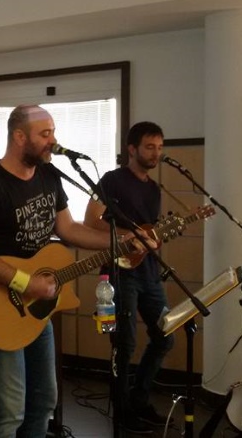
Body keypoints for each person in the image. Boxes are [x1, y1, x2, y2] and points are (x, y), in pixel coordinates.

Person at [0, 104, 149, 437]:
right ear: (19, 137)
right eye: (45, 134)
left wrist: (122, 240)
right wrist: (24, 282)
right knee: (10, 411)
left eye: (54, 132)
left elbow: (69, 229)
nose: (53, 141)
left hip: (35, 309)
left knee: (45, 399)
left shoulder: (49, 176)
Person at [84, 121, 173, 434]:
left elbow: (150, 232)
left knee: (166, 336)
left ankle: (139, 399)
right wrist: (128, 235)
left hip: (149, 274)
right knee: (124, 343)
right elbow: (90, 220)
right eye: (150, 147)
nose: (156, 153)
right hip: (120, 274)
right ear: (132, 149)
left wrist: (154, 240)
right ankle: (122, 412)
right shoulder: (112, 180)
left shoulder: (154, 189)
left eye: (159, 147)